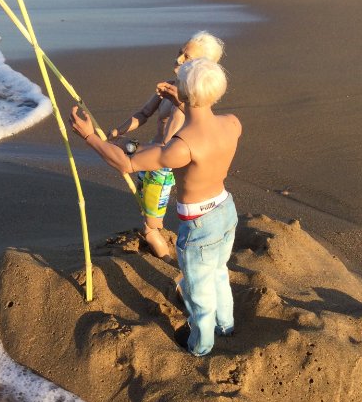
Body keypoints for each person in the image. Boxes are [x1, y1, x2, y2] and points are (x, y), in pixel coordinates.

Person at [70, 58, 242, 357]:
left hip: (200, 223)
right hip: (226, 210)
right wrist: (184, 100)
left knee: (199, 293)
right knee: (218, 271)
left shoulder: (182, 146)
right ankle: (226, 325)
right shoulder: (233, 123)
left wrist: (90, 138)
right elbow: (203, 123)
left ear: (186, 95)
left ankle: (201, 347)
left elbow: (126, 163)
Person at [106, 32, 225, 259]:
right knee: (146, 216)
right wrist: (117, 131)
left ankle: (168, 264)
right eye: (180, 52)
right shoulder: (169, 87)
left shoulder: (190, 104)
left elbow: (165, 147)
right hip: (146, 160)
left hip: (160, 168)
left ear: (201, 66)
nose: (179, 59)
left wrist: (124, 146)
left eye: (187, 57)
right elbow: (143, 113)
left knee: (150, 228)